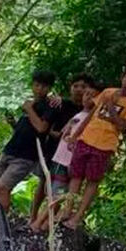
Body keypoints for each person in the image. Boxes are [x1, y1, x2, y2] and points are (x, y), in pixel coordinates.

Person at [62, 61, 126, 229]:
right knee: (76, 176)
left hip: (104, 146)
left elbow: (122, 126)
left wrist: (111, 108)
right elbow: (91, 114)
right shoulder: (108, 91)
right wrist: (76, 135)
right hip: (86, 139)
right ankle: (66, 210)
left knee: (92, 181)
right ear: (122, 76)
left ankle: (77, 217)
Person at [30, 82, 101, 232]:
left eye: (92, 96)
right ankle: (44, 225)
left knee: (58, 193)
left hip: (70, 161)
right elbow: (63, 134)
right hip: (58, 158)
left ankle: (38, 224)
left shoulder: (92, 120)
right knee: (51, 190)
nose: (87, 97)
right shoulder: (78, 115)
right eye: (86, 94)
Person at [0, 70, 57, 212]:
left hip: (26, 156)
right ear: (32, 85)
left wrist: (29, 109)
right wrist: (14, 124)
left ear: (49, 88)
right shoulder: (31, 103)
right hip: (10, 150)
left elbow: (41, 128)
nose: (40, 89)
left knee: (3, 186)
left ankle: (1, 225)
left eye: (44, 86)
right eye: (37, 85)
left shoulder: (49, 106)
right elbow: (27, 129)